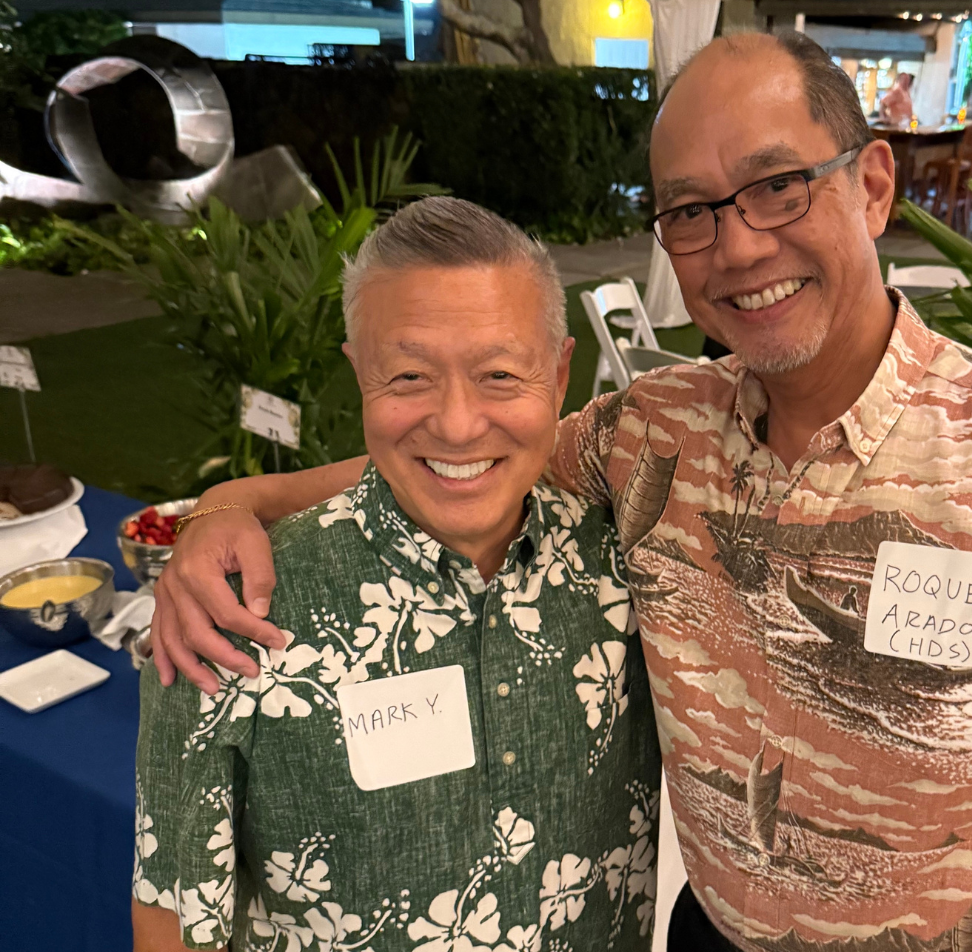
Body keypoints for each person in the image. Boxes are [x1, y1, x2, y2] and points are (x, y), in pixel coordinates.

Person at [150, 32, 972, 952]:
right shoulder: (654, 435)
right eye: (691, 210)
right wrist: (235, 505)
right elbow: (469, 448)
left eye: (778, 187)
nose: (737, 245)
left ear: (871, 185)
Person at [131, 198, 661, 951]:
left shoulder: (632, 569)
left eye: (500, 374)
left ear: (561, 372)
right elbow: (172, 917)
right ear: (359, 374)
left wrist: (228, 498)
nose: (456, 422)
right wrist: (220, 511)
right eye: (409, 375)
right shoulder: (229, 613)